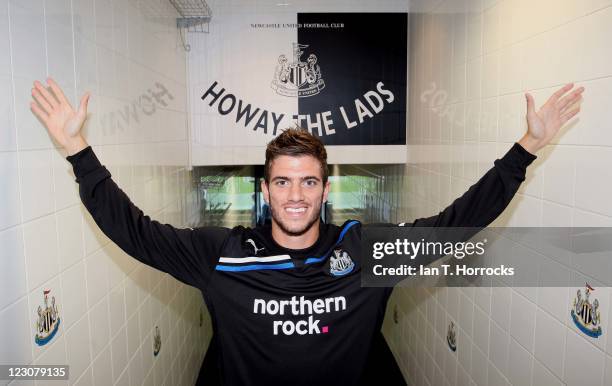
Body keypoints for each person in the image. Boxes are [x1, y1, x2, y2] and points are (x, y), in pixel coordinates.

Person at [30, 78, 583, 386]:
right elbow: (134, 232)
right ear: (266, 191)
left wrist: (526, 149)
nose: (296, 194)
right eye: (283, 182)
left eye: (309, 182)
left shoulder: (364, 253)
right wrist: (79, 153)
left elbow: (457, 225)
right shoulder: (219, 253)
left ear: (324, 190)